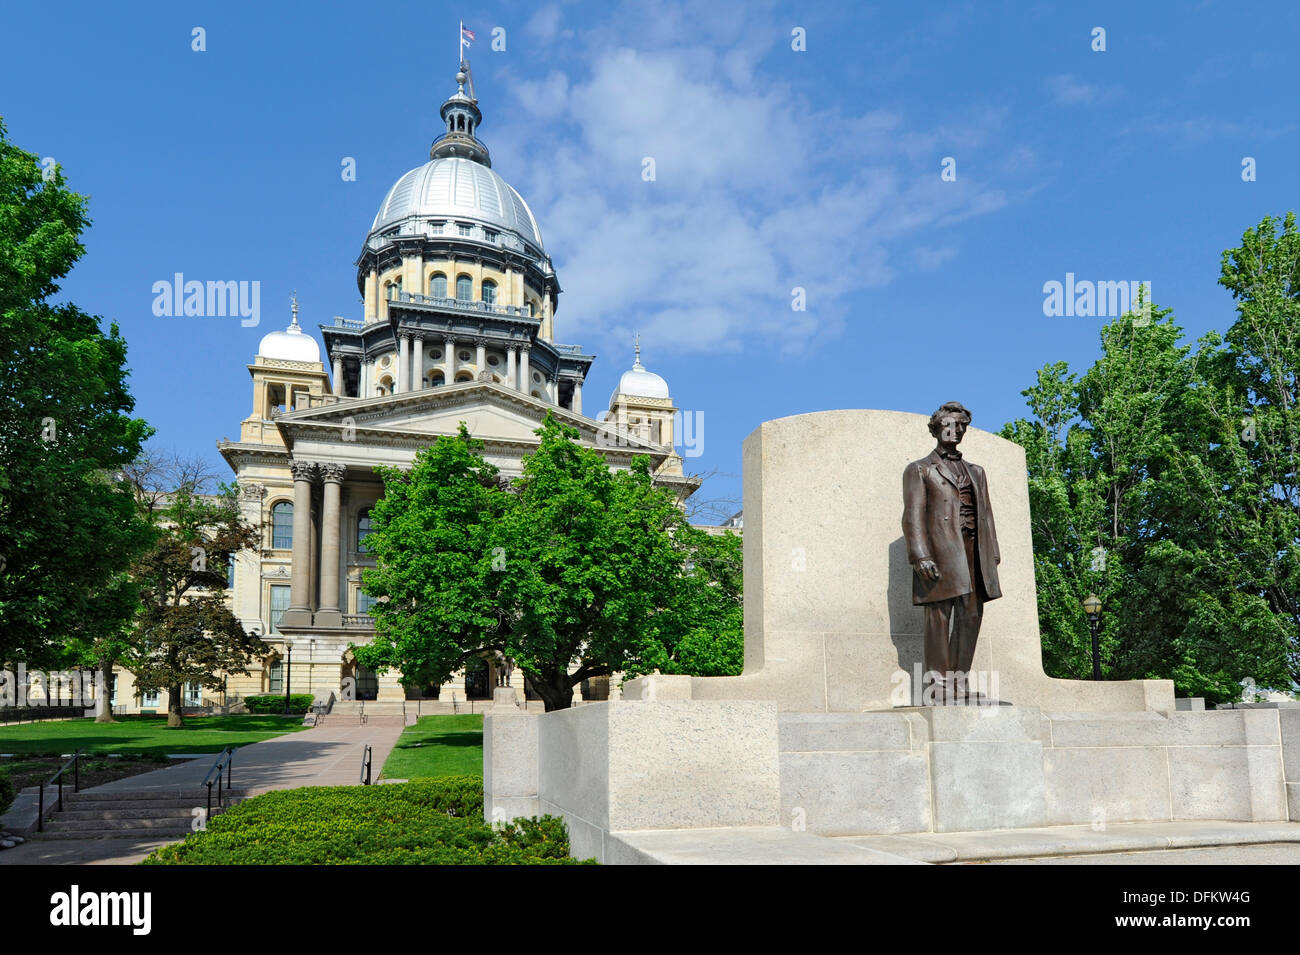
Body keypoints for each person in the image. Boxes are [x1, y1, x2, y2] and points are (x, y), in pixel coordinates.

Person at [901, 401, 1002, 702]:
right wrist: (920, 555)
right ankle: (938, 686)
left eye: (961, 426)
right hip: (940, 553)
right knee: (939, 618)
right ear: (935, 428)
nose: (955, 430)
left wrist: (992, 554)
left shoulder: (976, 472)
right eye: (949, 424)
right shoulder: (919, 469)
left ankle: (960, 682)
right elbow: (912, 515)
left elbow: (986, 515)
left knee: (971, 615)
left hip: (974, 551)